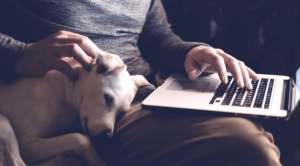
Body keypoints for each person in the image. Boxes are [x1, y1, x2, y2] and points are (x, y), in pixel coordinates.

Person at [0, 0, 284, 165]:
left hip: (136, 94)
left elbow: (158, 37)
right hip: (46, 97)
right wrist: (20, 54)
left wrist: (190, 51)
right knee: (247, 143)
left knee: (271, 111)